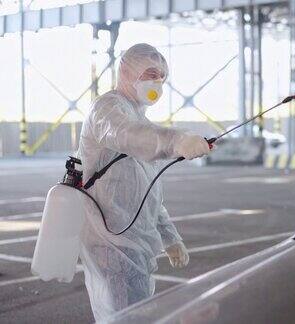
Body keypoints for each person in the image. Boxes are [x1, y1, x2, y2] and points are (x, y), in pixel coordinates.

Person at [77, 43, 211, 322]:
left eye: (161, 76)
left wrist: (169, 236)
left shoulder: (138, 116)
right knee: (128, 318)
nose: (157, 82)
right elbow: (128, 134)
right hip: (111, 241)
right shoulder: (108, 109)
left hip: (134, 242)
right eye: (150, 74)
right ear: (126, 72)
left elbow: (148, 193)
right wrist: (177, 140)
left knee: (134, 315)